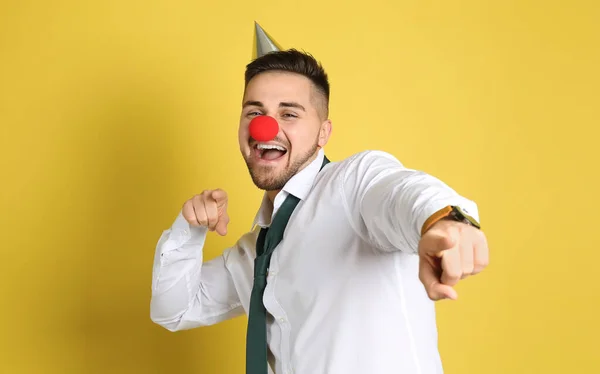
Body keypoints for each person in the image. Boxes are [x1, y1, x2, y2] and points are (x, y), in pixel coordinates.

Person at [150, 49, 489, 374]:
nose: (263, 128)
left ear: (323, 132)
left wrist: (444, 219)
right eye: (254, 113)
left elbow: (399, 192)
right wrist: (190, 228)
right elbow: (173, 309)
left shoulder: (352, 185)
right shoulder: (255, 253)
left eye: (289, 113)